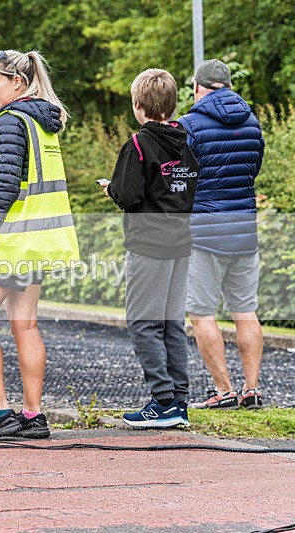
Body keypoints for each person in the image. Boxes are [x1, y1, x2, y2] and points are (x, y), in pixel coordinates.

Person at [0, 50, 79, 439]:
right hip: (36, 242)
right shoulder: (43, 119)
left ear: (17, 83)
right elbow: (20, 173)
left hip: (7, 243)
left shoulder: (9, 120)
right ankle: (32, 416)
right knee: (25, 325)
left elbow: (7, 187)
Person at [104, 69, 198, 428]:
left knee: (143, 323)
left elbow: (127, 194)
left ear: (138, 105)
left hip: (149, 244)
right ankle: (179, 401)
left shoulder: (138, 144)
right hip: (180, 243)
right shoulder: (185, 143)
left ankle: (161, 400)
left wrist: (110, 188)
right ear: (173, 104)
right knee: (172, 323)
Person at [178, 59, 265, 410]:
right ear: (228, 86)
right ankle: (252, 389)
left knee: (201, 313)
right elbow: (252, 171)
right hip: (244, 229)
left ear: (198, 88)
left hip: (204, 232)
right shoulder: (253, 122)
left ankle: (224, 390)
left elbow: (180, 179)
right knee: (245, 310)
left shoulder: (188, 125)